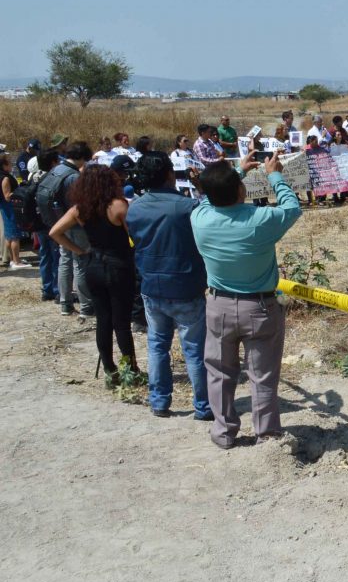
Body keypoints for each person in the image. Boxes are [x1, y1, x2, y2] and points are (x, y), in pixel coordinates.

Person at [191, 151, 301, 449]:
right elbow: (292, 207)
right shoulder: (260, 219)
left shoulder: (200, 217)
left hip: (218, 305)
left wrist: (236, 172)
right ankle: (266, 436)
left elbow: (210, 196)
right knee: (262, 375)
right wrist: (274, 174)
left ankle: (224, 433)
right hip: (260, 307)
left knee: (219, 373)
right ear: (241, 191)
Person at [126, 152, 212, 420]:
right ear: (169, 175)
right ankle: (203, 406)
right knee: (195, 350)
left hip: (152, 287)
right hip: (186, 287)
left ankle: (160, 401)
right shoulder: (187, 207)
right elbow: (211, 214)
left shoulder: (134, 208)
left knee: (157, 346)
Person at [50, 165, 137, 386]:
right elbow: (133, 238)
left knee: (103, 320)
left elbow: (55, 232)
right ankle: (130, 370)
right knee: (122, 322)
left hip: (93, 264)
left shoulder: (80, 209)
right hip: (118, 265)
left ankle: (110, 370)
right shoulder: (118, 206)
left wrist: (80, 251)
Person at [36, 141, 94, 317]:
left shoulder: (56, 170)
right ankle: (86, 307)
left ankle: (65, 303)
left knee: (65, 261)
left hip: (57, 222)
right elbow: (78, 205)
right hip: (74, 225)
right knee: (80, 262)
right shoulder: (73, 177)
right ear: (81, 158)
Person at [32, 150, 62, 300]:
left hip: (38, 222)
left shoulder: (34, 176)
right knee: (56, 255)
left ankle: (47, 289)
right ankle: (57, 290)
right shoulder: (52, 178)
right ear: (53, 163)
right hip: (51, 222)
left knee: (45, 256)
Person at [0, 155, 31, 269]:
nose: (11, 166)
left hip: (5, 207)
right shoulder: (5, 178)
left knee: (9, 235)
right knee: (14, 235)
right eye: (9, 164)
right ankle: (16, 261)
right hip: (10, 208)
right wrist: (21, 191)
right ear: (4, 165)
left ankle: (13, 259)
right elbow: (7, 196)